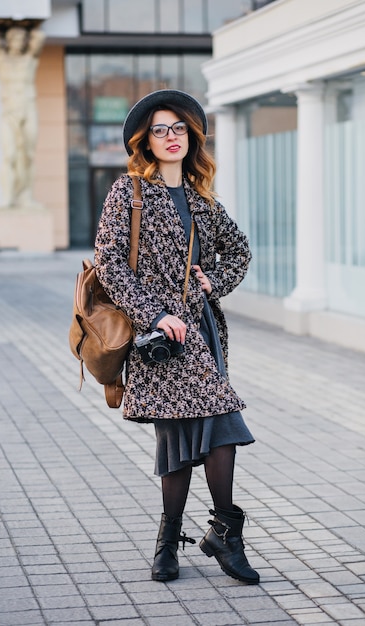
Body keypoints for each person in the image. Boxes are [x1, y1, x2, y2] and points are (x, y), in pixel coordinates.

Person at [94, 89, 260, 584]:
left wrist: (215, 281)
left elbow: (240, 251)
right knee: (182, 438)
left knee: (218, 424)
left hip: (203, 334)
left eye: (180, 129)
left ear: (192, 137)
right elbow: (108, 263)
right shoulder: (129, 192)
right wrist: (155, 314)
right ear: (146, 141)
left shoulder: (202, 198)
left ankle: (218, 534)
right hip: (161, 340)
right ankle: (176, 539)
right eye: (161, 130)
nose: (172, 137)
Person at [0, 25, 45, 208]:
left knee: (29, 156)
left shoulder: (30, 59)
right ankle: (8, 197)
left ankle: (27, 197)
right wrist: (3, 25)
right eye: (14, 38)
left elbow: (39, 36)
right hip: (9, 111)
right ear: (7, 41)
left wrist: (27, 25)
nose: (17, 42)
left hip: (28, 108)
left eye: (21, 39)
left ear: (25, 42)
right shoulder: (1, 58)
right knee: (9, 155)